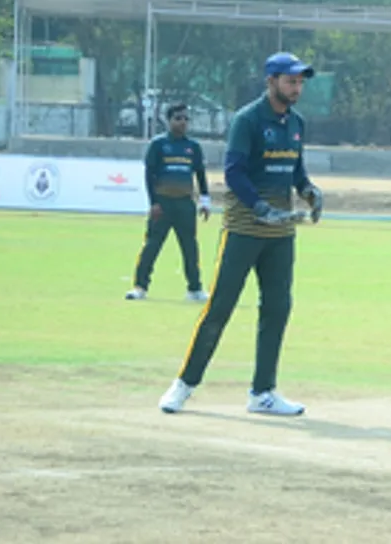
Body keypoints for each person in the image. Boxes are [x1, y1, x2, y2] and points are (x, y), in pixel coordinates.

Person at [158, 52, 324, 417]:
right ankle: (183, 385)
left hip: (280, 233)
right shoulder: (248, 120)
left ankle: (263, 392)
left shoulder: (296, 123)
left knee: (278, 308)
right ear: (271, 81)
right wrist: (258, 207)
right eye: (290, 80)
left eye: (300, 82)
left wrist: (310, 191)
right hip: (244, 229)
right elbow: (234, 172)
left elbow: (296, 171)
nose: (297, 88)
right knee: (220, 308)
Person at [126, 103, 211, 302]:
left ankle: (195, 289)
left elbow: (200, 174)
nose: (182, 122)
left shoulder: (193, 147)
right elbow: (149, 174)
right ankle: (140, 286)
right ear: (169, 120)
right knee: (152, 245)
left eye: (185, 119)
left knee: (190, 248)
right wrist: (153, 203)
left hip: (184, 204)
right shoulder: (159, 144)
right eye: (178, 118)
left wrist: (205, 201)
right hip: (163, 204)